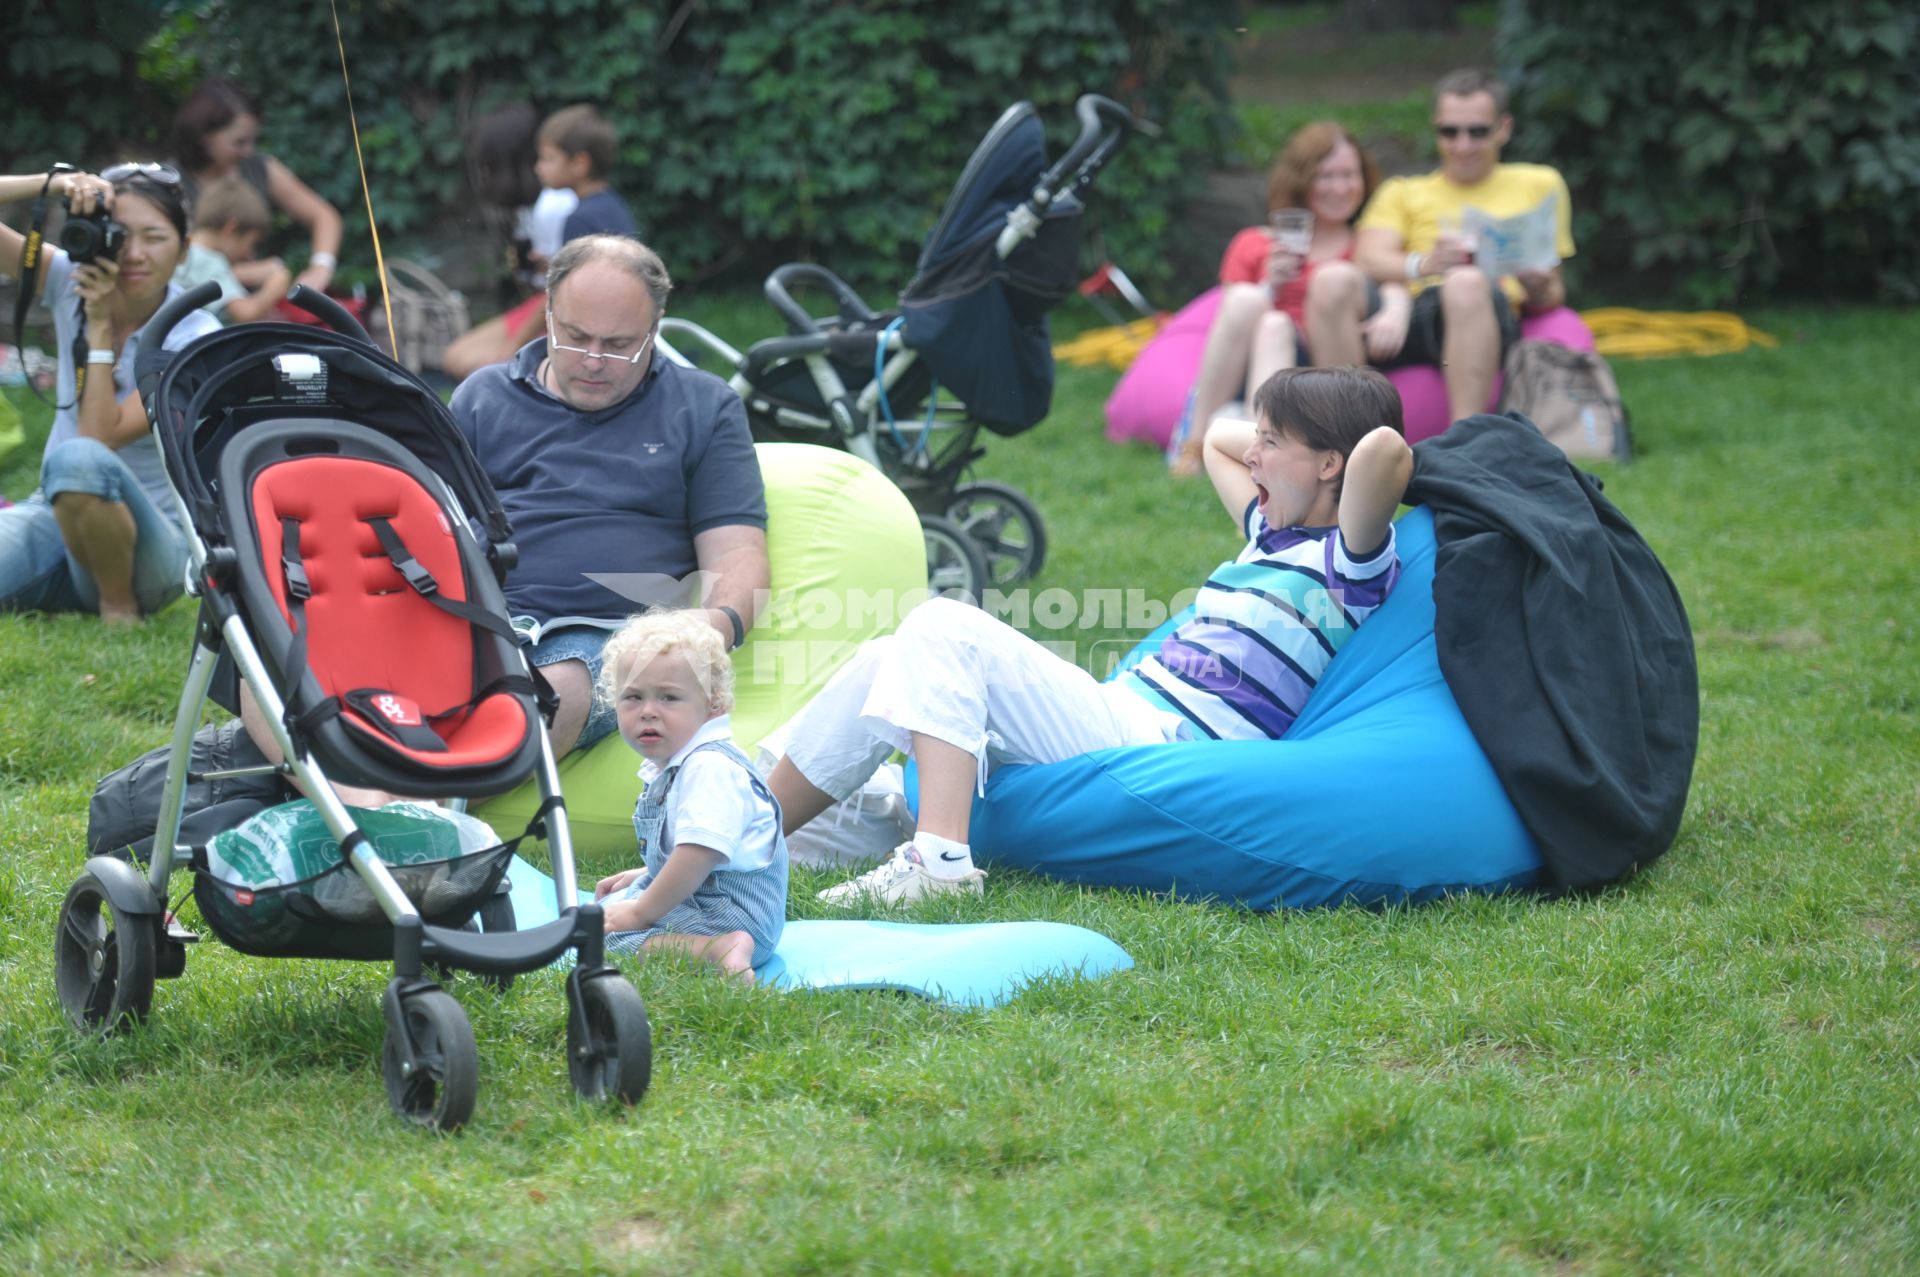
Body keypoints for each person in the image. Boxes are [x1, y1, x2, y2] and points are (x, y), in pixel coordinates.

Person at [768, 366, 1414, 906]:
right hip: (1122, 710)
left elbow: (1387, 450)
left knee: (944, 624)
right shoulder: (1268, 533)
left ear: (1334, 463)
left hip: (1164, 745)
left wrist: (1340, 442)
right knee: (885, 656)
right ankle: (743, 834)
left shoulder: (1347, 564)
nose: (1252, 455)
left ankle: (938, 863)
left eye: (1271, 442)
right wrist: (1288, 434)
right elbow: (1217, 436)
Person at [450, 234, 769, 759]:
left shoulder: (704, 407)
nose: (594, 359)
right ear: (548, 316)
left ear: (655, 329)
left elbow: (738, 551)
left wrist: (714, 626)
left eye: (620, 344)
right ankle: (360, 803)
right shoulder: (482, 398)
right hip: (478, 619)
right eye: (575, 337)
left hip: (607, 635)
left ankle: (387, 816)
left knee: (560, 686)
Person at [0, 164, 221, 621]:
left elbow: (98, 439)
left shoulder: (196, 336)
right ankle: (60, 586)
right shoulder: (69, 279)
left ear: (183, 250)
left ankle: (118, 607)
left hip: (153, 545)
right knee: (67, 475)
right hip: (58, 518)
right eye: (120, 235)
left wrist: (97, 325)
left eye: (154, 237)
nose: (135, 254)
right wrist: (53, 183)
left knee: (77, 459)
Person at [1318, 68, 1576, 425]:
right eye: (1449, 132)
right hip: (1413, 311)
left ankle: (1464, 443)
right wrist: (1425, 264)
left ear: (1504, 128)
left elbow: (1553, 293)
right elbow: (1368, 258)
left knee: (1465, 281)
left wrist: (1538, 286)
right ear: (1436, 128)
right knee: (1331, 279)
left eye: (1478, 132)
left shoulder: (1539, 184)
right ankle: (1340, 437)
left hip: (1489, 313)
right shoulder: (1404, 191)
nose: (1463, 145)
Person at [1168, 122, 1405, 475]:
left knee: (1277, 322)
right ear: (1301, 180)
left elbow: (1396, 283)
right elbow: (1229, 318)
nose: (1340, 188)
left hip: (1327, 366)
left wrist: (1396, 311)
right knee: (1263, 314)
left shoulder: (1367, 246)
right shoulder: (1255, 243)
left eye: (1349, 175)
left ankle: (1260, 464)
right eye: (1326, 176)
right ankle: (1195, 443)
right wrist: (1269, 285)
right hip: (1257, 362)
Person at [591, 609, 787, 981]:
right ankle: (705, 941)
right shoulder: (682, 763)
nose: (648, 711)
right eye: (633, 697)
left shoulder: (709, 768)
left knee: (602, 936)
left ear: (713, 704)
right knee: (600, 908)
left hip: (729, 913)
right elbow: (701, 850)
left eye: (668, 697)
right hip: (711, 899)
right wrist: (644, 874)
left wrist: (639, 912)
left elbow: (701, 851)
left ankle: (715, 949)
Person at [443, 104, 634, 382]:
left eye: (547, 159)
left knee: (484, 369)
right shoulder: (611, 205)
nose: (537, 168)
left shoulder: (578, 220)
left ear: (580, 164)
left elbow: (561, 297)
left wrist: (511, 348)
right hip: (620, 324)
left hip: (591, 332)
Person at [170, 78, 344, 297]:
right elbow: (171, 266)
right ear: (204, 136)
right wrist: (246, 273)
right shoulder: (168, 181)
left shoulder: (258, 168)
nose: (248, 151)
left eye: (252, 141)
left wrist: (321, 266)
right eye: (239, 142)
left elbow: (324, 216)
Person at [172, 174, 292, 324]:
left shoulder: (184, 251)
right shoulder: (210, 261)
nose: (250, 254)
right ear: (231, 229)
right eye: (251, 244)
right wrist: (274, 287)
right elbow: (246, 313)